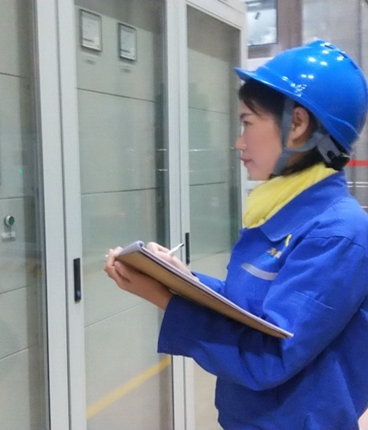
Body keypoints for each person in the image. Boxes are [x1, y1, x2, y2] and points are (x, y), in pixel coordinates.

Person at [104, 40, 368, 429]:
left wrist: (162, 296)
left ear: (297, 124)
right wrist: (182, 278)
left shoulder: (337, 233)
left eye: (247, 123)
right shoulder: (281, 213)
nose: (239, 142)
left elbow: (271, 355)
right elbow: (252, 312)